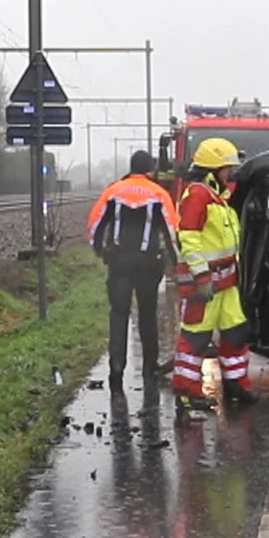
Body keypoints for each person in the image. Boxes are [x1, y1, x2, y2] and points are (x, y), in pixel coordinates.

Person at [172, 138, 257, 419]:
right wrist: (201, 276)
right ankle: (186, 393)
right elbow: (188, 238)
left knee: (235, 334)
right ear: (213, 168)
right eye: (227, 168)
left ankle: (235, 385)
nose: (231, 173)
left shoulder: (216, 196)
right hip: (204, 287)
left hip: (226, 285)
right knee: (195, 340)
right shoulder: (198, 195)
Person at [87, 151, 178, 386]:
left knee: (118, 314)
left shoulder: (113, 191)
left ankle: (116, 369)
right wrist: (175, 261)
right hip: (148, 265)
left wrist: (99, 250)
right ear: (150, 170)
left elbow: (94, 223)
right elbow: (171, 230)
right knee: (147, 316)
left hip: (119, 264)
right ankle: (149, 368)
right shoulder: (159, 194)